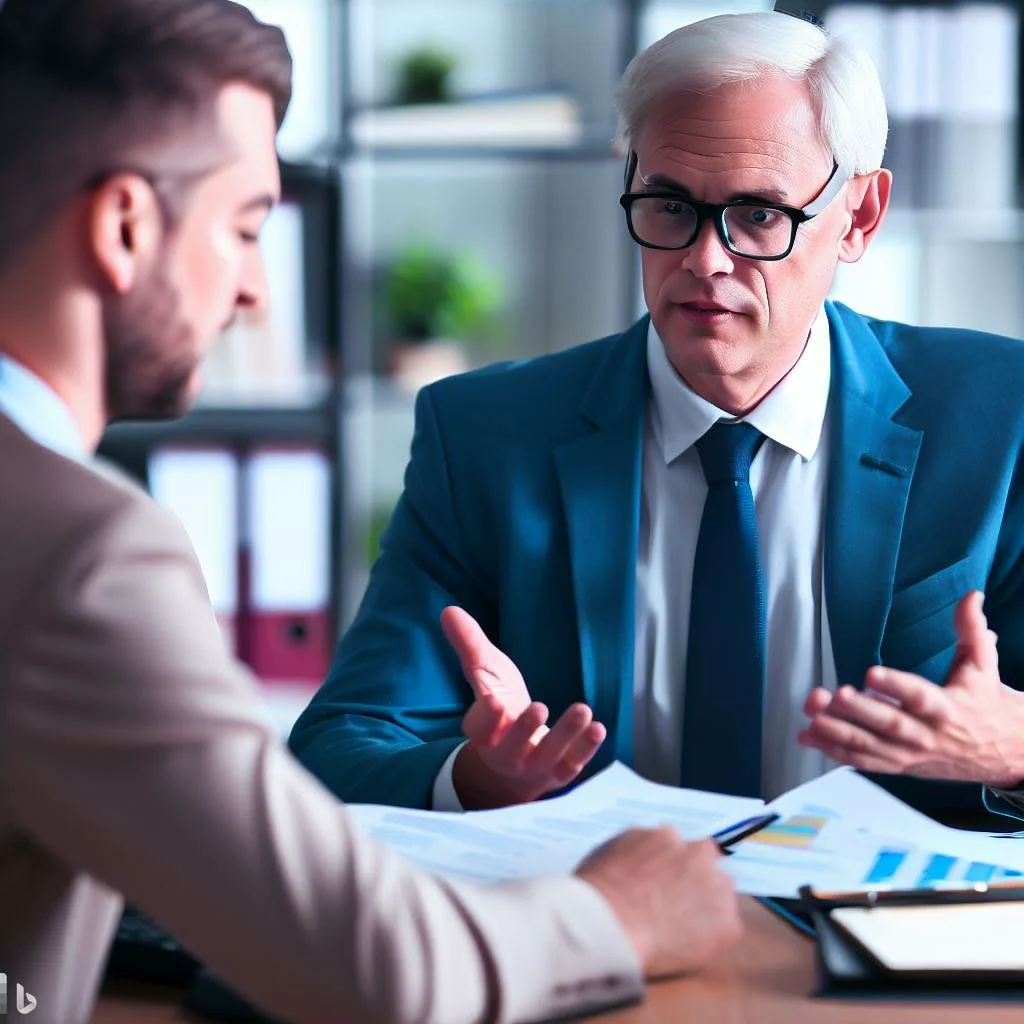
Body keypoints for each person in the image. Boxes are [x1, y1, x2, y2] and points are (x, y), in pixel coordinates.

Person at [0, 3, 745, 1023]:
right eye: (246, 227)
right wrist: (619, 911)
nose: (257, 290)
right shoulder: (79, 553)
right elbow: (372, 966)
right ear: (125, 226)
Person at [290, 9, 1024, 817]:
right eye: (670, 207)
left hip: (877, 927)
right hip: (609, 923)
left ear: (859, 216)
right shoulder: (486, 438)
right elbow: (339, 748)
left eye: (759, 215)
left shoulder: (997, 416)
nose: (705, 261)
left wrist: (1012, 748)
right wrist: (477, 777)